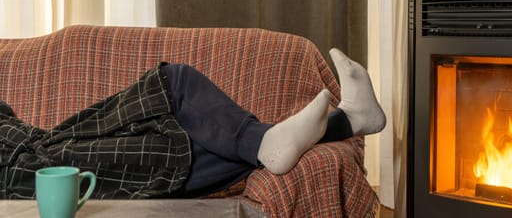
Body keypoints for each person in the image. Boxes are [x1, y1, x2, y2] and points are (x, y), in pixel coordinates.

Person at [0, 48, 385, 199]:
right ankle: (344, 122)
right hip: (29, 170)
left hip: (44, 144)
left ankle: (340, 122)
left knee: (173, 85)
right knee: (173, 137)